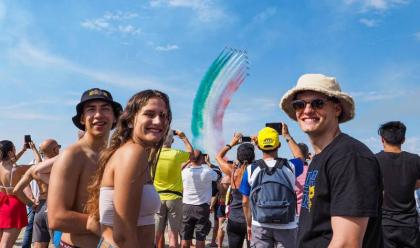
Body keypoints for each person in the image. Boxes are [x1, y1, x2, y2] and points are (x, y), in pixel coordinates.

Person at [280, 73, 383, 247]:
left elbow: (346, 243)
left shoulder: (349, 156)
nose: (307, 110)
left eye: (318, 103)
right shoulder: (322, 157)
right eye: (299, 104)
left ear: (337, 109)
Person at [85, 89, 171, 248]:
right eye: (150, 114)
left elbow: (94, 222)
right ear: (131, 120)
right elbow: (123, 235)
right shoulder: (133, 153)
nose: (159, 121)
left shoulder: (131, 151)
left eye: (163, 115)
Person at [47, 88, 122, 248]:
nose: (98, 115)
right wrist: (96, 224)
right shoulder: (72, 155)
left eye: (105, 108)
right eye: (91, 109)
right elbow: (56, 218)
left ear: (115, 117)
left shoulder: (114, 155)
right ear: (82, 118)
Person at [239, 125, 303, 248]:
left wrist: (249, 224)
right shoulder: (290, 166)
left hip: (260, 224)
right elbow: (300, 156)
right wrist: (287, 136)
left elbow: (245, 202)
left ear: (258, 146)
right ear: (278, 145)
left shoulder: (251, 169)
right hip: (287, 224)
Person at [376, 121, 420, 247]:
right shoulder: (415, 160)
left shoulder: (375, 160)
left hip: (385, 224)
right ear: (403, 140)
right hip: (410, 225)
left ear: (382, 139)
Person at [14, 139, 61, 248]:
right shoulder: (60, 166)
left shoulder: (35, 167)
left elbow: (17, 190)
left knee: (38, 244)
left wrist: (31, 203)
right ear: (55, 149)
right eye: (58, 146)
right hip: (55, 207)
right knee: (58, 244)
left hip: (39, 208)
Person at [154, 129, 193, 248]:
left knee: (157, 234)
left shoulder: (153, 153)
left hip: (157, 197)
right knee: (173, 235)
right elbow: (191, 153)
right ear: (172, 140)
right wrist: (183, 137)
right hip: (175, 197)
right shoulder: (176, 154)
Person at [216, 133, 254, 248]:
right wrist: (258, 144)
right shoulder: (257, 171)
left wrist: (232, 143)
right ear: (253, 157)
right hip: (251, 220)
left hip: (234, 219)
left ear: (238, 157)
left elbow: (218, 157)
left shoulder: (232, 171)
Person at [0, 140, 40, 248]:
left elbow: (11, 161)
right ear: (9, 153)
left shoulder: (1, 166)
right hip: (14, 204)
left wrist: (23, 150)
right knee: (6, 245)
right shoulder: (17, 169)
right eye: (14, 149)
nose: (15, 150)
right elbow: (39, 165)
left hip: (2, 202)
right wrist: (33, 149)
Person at [181, 150, 218, 248]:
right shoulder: (208, 172)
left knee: (185, 236)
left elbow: (179, 170)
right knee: (200, 236)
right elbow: (218, 174)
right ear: (202, 158)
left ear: (190, 159)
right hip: (202, 207)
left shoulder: (185, 172)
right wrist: (209, 163)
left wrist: (188, 161)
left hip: (186, 206)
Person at [294, 142, 311, 216]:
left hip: (295, 213)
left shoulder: (291, 171)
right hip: (310, 212)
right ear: (307, 155)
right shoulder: (313, 170)